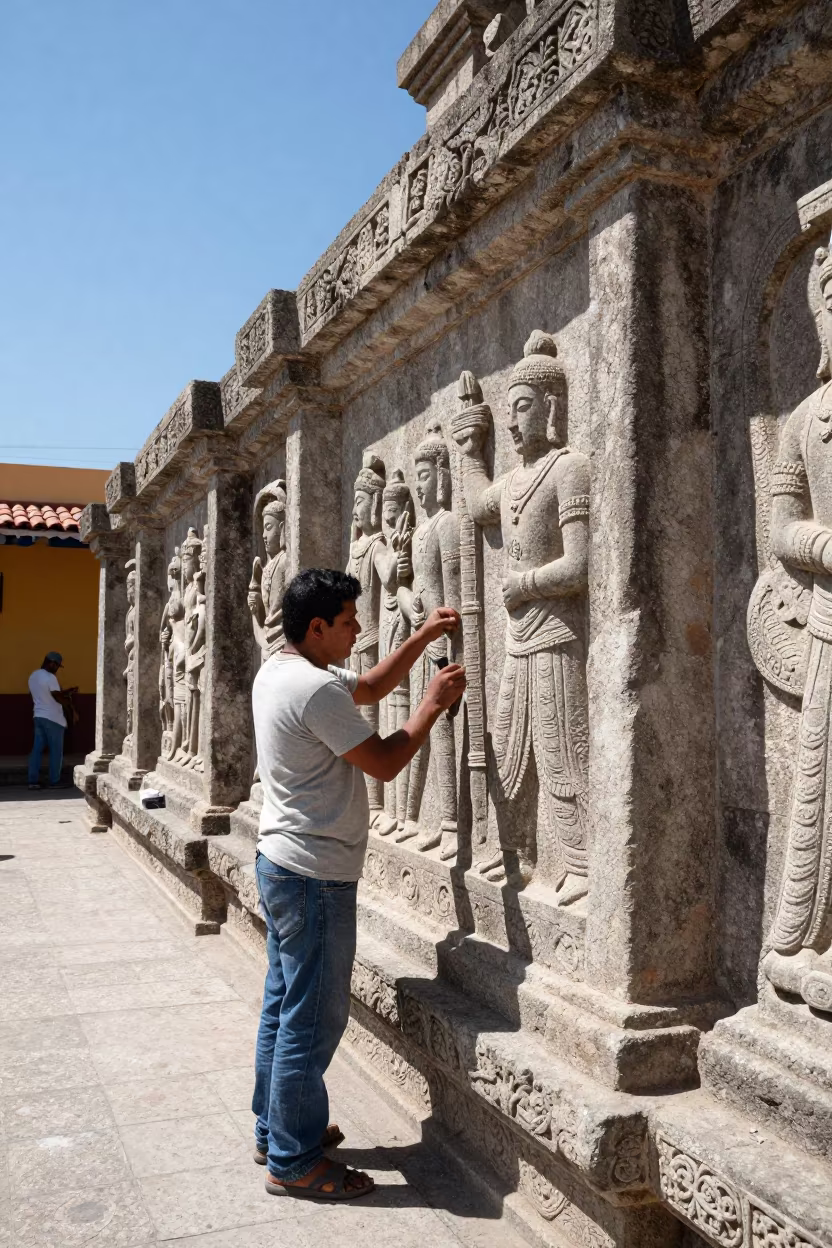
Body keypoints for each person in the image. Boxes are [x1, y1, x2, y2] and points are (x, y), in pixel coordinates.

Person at [251, 568, 465, 1202]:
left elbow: (369, 687)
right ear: (317, 628)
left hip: (283, 861)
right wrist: (431, 705)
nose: (357, 632)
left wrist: (423, 634)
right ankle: (293, 1160)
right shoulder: (314, 692)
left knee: (283, 1005)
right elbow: (384, 759)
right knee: (311, 1020)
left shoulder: (282, 669)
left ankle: (276, 1126)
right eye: (347, 623)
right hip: (313, 874)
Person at [27, 652, 77, 790]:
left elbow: (42, 695)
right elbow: (57, 697)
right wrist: (71, 708)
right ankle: (54, 781)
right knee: (56, 751)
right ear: (52, 663)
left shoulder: (33, 676)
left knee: (37, 750)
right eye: (57, 666)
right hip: (53, 718)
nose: (57, 669)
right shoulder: (50, 677)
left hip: (38, 715)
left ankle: (33, 781)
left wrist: (66, 692)